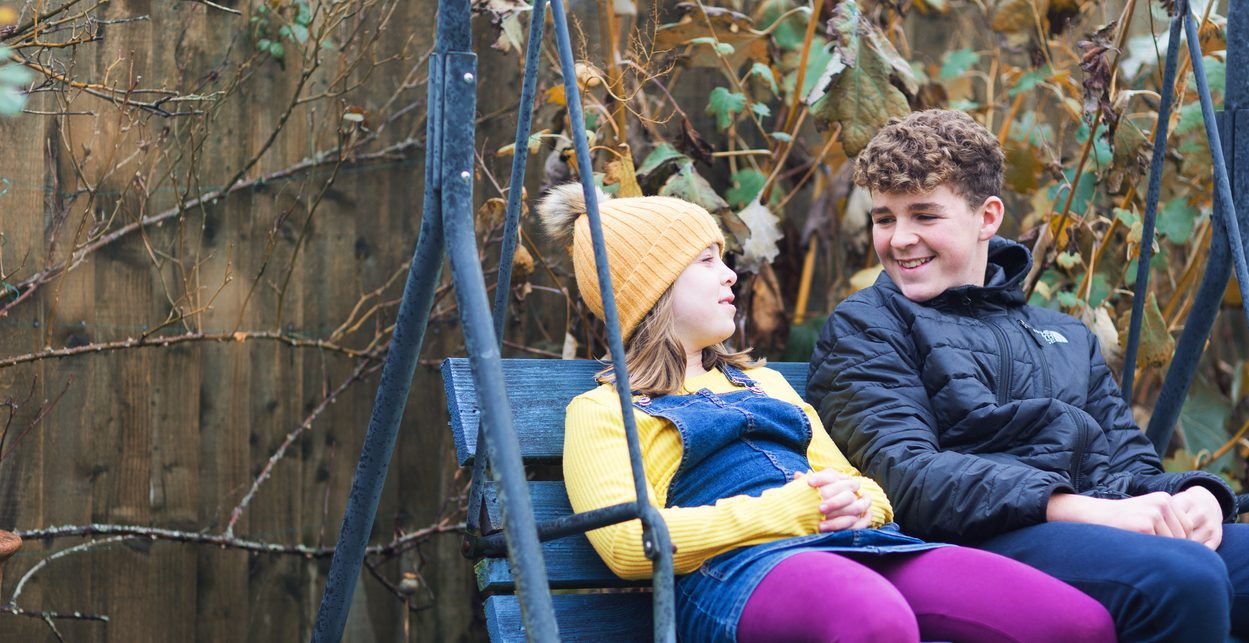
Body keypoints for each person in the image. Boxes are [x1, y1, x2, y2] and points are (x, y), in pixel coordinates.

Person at [539, 183, 1115, 642]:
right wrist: (787, 509)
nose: (730, 273)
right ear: (652, 290)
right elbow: (628, 544)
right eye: (706, 260)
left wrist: (860, 502)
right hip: (738, 573)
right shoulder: (605, 411)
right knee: (873, 623)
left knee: (1074, 624)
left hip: (861, 546)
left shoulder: (761, 381)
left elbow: (868, 490)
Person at [806, 109, 1249, 642]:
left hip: (1090, 522)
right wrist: (1079, 509)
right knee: (1182, 577)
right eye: (884, 219)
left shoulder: (1062, 334)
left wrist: (1198, 496)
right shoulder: (868, 326)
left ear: (987, 217)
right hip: (974, 539)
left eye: (924, 216)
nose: (900, 239)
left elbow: (1128, 458)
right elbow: (905, 475)